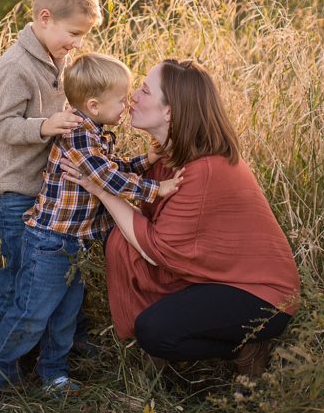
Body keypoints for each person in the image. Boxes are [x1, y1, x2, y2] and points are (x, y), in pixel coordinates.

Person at [60, 59, 300, 378]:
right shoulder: (173, 155)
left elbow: (156, 248)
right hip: (218, 278)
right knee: (120, 240)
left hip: (261, 296)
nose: (132, 97)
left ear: (170, 111)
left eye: (144, 90)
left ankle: (247, 348)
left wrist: (100, 189)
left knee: (156, 332)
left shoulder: (206, 169)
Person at [0, 54, 184, 410]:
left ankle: (53, 372)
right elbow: (106, 177)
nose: (127, 104)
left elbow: (111, 168)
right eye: (121, 99)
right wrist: (154, 189)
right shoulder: (78, 135)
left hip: (76, 242)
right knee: (33, 313)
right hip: (51, 242)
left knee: (66, 313)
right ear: (94, 104)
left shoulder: (96, 133)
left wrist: (146, 162)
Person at [0, 0, 99, 370]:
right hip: (18, 193)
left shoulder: (57, 57)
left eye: (82, 36)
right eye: (74, 33)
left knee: (49, 278)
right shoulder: (15, 67)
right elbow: (2, 127)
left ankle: (52, 354)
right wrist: (47, 125)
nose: (77, 44)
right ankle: (4, 363)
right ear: (45, 18)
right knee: (20, 277)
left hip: (50, 193)